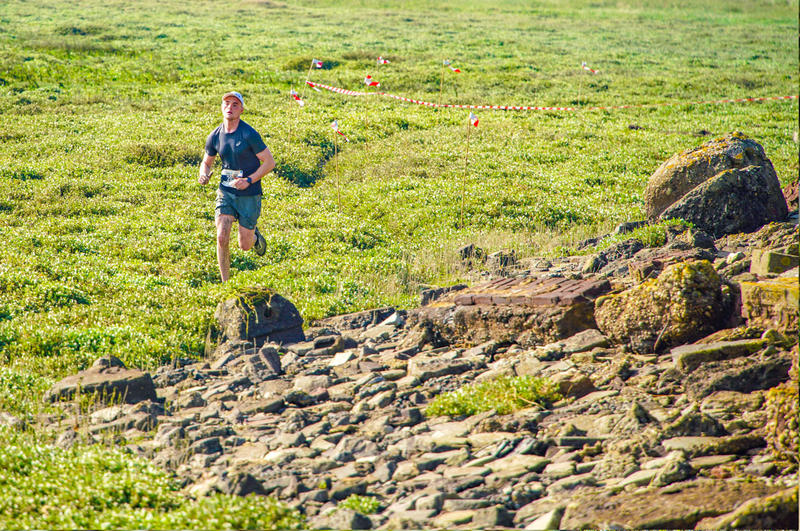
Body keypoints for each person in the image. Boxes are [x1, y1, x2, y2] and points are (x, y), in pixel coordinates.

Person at [198, 91, 275, 282]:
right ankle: (226, 284)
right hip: (226, 191)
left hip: (249, 193)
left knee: (245, 245)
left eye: (234, 104)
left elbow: (269, 162)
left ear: (241, 109)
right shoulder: (215, 135)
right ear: (221, 107)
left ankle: (255, 237)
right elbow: (206, 162)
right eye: (226, 103)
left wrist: (249, 180)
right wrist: (203, 174)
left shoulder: (249, 134)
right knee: (222, 236)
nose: (229, 107)